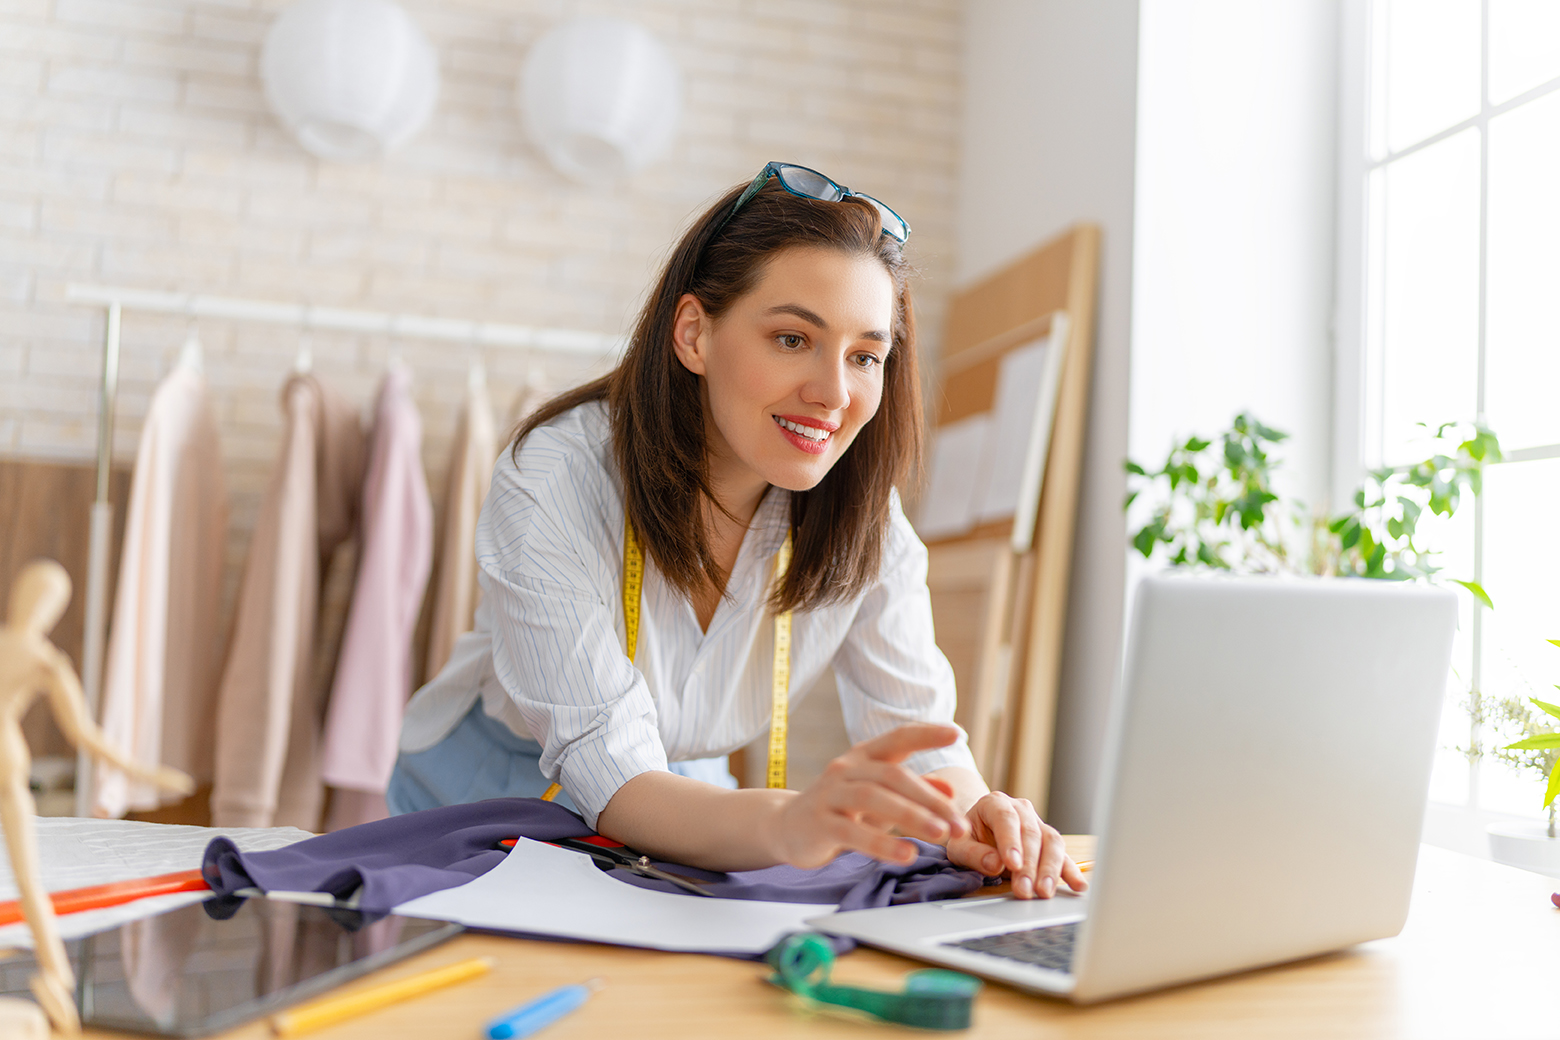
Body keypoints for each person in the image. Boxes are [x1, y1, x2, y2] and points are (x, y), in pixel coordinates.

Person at [389, 163, 1085, 900]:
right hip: (491, 794)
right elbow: (616, 774)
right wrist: (792, 823)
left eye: (865, 356)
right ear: (694, 333)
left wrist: (975, 813)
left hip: (688, 795)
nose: (834, 393)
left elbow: (915, 727)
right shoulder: (556, 479)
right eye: (792, 339)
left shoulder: (862, 518)